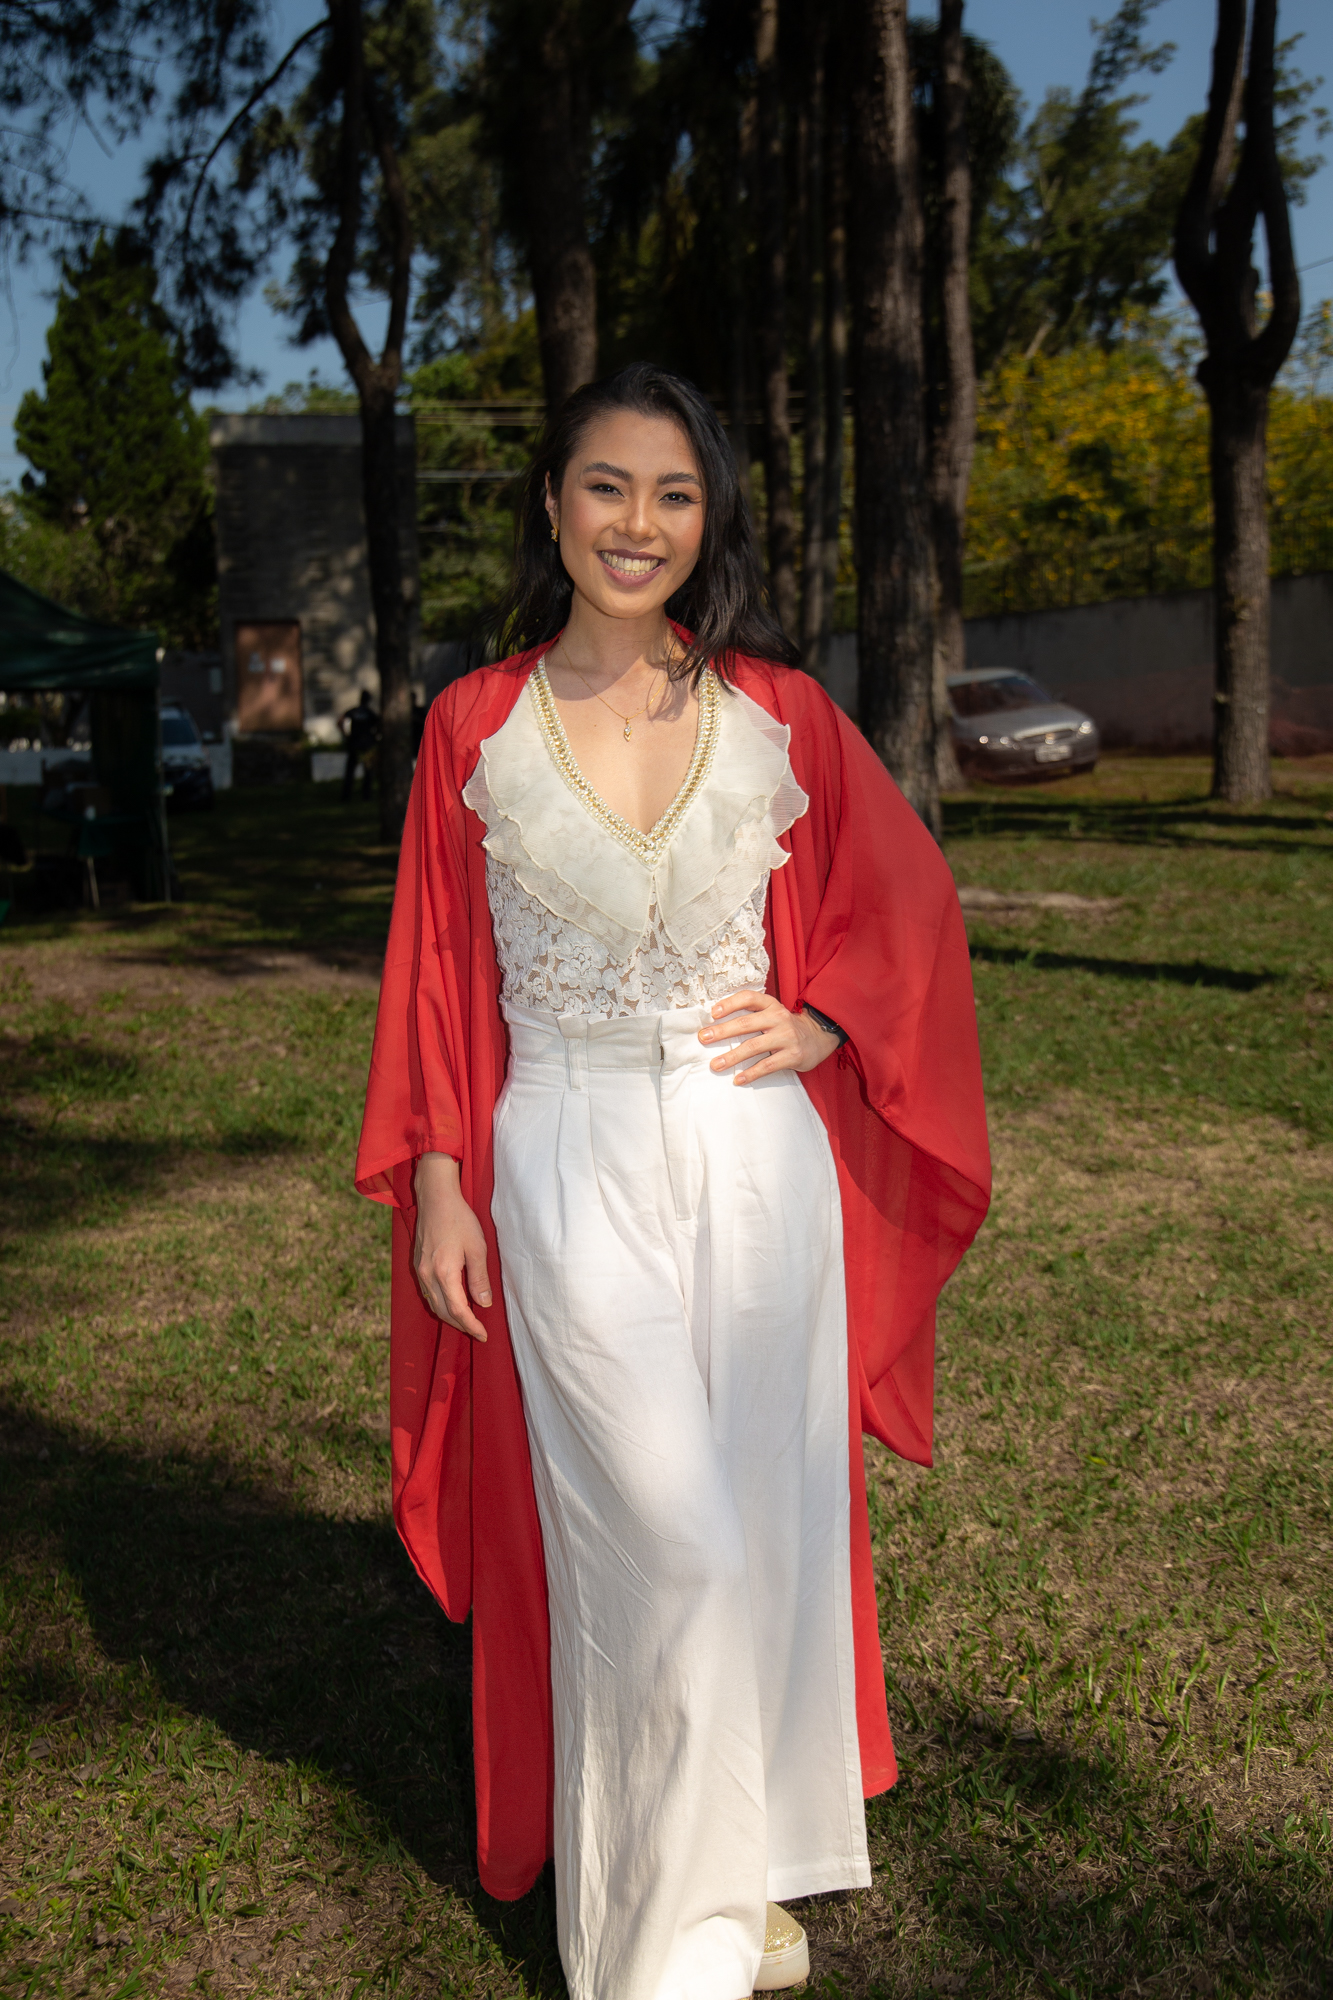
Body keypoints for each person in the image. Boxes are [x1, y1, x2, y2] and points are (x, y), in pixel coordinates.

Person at [356, 364, 990, 2000]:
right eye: (606, 485)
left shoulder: (772, 706)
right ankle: (662, 1956)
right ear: (551, 503)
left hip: (753, 1156)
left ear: (709, 521)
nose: (637, 523)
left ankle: (745, 1869)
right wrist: (440, 1178)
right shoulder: (471, 723)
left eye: (674, 493)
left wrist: (827, 1017)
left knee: (760, 1523)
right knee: (664, 1540)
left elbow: (906, 896)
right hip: (562, 1160)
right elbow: (437, 965)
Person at [340, 688, 380, 800]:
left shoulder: (354, 711)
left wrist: (346, 735)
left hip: (354, 744)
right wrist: (375, 736)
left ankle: (346, 795)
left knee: (350, 771)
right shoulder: (370, 713)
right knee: (368, 772)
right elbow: (379, 724)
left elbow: (340, 721)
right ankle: (366, 795)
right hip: (367, 745)